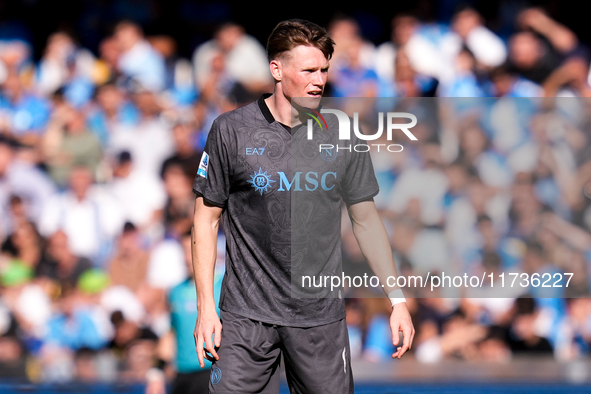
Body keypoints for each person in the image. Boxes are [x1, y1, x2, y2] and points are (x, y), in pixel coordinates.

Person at [191, 19, 414, 394]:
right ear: (277, 70)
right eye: (309, 70)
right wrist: (206, 308)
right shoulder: (230, 130)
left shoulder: (342, 132)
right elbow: (204, 220)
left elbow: (366, 221)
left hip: (319, 318)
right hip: (246, 316)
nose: (319, 79)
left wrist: (397, 300)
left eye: (324, 69)